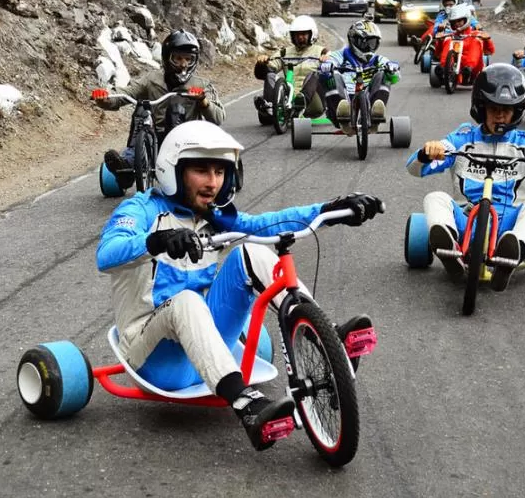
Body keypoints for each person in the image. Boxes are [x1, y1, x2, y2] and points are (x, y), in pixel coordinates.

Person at [96, 120, 384, 450]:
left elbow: (264, 224)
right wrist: (156, 241)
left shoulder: (212, 214)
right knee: (188, 300)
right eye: (201, 171)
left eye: (220, 171)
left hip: (202, 343)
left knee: (251, 251)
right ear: (172, 171)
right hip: (155, 359)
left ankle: (328, 338)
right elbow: (107, 254)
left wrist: (330, 210)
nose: (213, 182)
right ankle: (246, 404)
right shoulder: (142, 209)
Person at [406, 64, 525, 291]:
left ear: (517, 110)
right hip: (467, 219)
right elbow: (414, 169)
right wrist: (427, 153)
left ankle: (513, 254)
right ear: (481, 108)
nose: (500, 115)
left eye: (507, 109)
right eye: (494, 108)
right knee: (435, 197)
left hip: (510, 226)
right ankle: (450, 247)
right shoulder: (462, 138)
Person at [96, 29, 225, 188]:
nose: (183, 64)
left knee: (176, 108)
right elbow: (126, 93)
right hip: (156, 137)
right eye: (177, 58)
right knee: (141, 111)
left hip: (189, 140)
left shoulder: (202, 85)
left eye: (188, 59)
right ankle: (126, 168)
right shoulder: (151, 79)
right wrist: (105, 99)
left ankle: (189, 168)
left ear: (194, 61)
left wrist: (203, 101)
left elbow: (219, 117)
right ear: (167, 58)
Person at [320, 20, 400, 124]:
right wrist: (327, 66)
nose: (368, 47)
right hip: (344, 97)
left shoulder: (378, 59)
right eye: (365, 43)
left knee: (383, 74)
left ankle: (376, 112)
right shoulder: (340, 56)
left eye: (372, 43)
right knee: (332, 74)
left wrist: (392, 70)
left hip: (368, 97)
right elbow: (330, 61)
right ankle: (342, 111)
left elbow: (395, 78)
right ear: (354, 40)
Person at [253, 15, 328, 120]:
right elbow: (265, 72)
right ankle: (270, 106)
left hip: (313, 101)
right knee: (270, 75)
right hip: (288, 97)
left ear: (312, 34)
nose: (300, 37)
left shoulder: (321, 51)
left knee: (315, 74)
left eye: (303, 34)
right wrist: (262, 63)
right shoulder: (284, 52)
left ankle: (301, 102)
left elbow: (333, 64)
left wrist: (326, 60)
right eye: (297, 35)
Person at [433, 4, 494, 85]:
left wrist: (487, 40)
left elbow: (489, 51)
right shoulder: (449, 36)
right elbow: (437, 54)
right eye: (454, 22)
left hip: (473, 70)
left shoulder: (476, 35)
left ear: (466, 20)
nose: (457, 24)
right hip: (452, 68)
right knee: (448, 40)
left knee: (476, 41)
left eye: (459, 21)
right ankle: (443, 69)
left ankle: (468, 70)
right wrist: (440, 41)